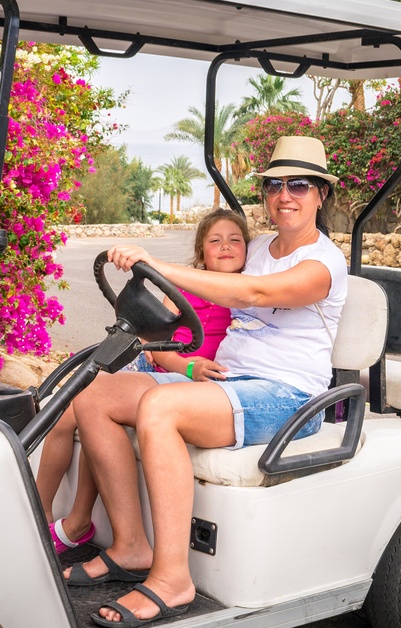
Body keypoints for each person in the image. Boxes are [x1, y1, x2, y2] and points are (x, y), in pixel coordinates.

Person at [65, 136, 348, 628]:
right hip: (231, 382)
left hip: (290, 397)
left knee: (160, 409)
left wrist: (156, 266)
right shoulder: (255, 247)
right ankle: (131, 545)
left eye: (299, 185)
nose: (285, 195)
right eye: (274, 184)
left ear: (321, 194)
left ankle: (172, 578)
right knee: (96, 394)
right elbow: (212, 281)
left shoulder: (323, 263)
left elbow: (256, 293)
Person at [35, 210, 251, 555]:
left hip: (193, 385)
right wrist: (185, 365)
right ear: (201, 251)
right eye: (215, 240)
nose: (225, 247)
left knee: (100, 408)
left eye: (235, 240)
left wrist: (191, 371)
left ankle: (78, 522)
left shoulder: (246, 294)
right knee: (67, 409)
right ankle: (39, 514)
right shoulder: (184, 286)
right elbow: (159, 349)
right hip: (167, 367)